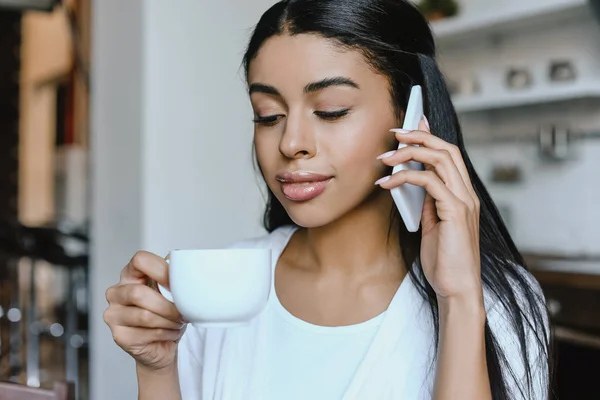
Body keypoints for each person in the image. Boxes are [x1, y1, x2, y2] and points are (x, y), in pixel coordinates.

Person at [103, 0, 552, 399]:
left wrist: (458, 298)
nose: (291, 142)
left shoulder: (497, 299)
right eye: (268, 116)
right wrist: (157, 368)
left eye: (331, 110)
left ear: (412, 115)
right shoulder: (215, 294)